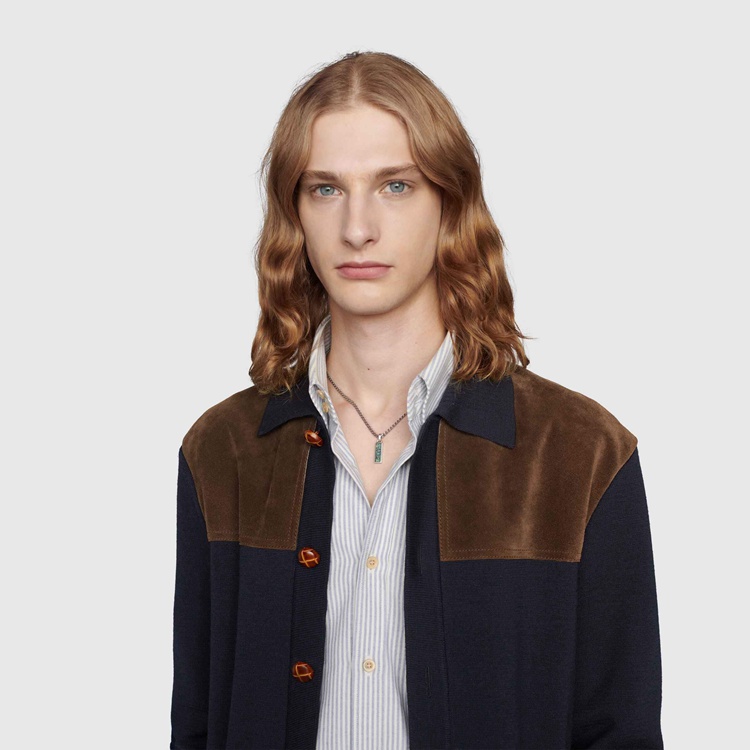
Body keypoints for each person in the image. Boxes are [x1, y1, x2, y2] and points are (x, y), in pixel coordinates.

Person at [170, 51, 663, 750]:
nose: (358, 228)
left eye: (395, 186)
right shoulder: (223, 452)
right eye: (325, 189)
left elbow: (620, 731)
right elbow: (195, 724)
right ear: (294, 213)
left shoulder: (579, 455)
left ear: (449, 204)